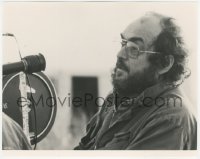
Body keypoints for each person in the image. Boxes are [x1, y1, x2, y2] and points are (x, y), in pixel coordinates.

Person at [74, 12, 197, 150]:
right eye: (123, 43)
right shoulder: (116, 98)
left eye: (134, 49)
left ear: (164, 63)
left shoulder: (170, 118)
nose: (119, 54)